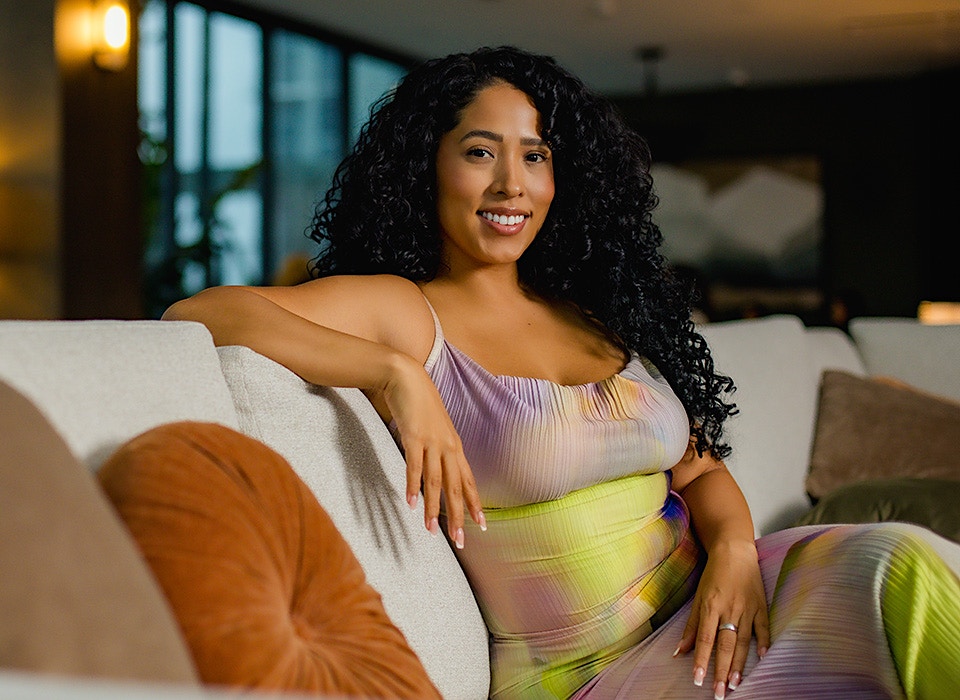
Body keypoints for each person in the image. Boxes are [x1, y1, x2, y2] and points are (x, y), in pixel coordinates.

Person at [164, 46, 960, 699]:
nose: (512, 184)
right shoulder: (407, 311)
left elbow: (699, 471)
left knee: (900, 562)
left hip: (721, 600)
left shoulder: (595, 311)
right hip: (595, 675)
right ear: (425, 166)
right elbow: (201, 312)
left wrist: (735, 554)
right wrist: (391, 373)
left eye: (535, 156)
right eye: (480, 152)